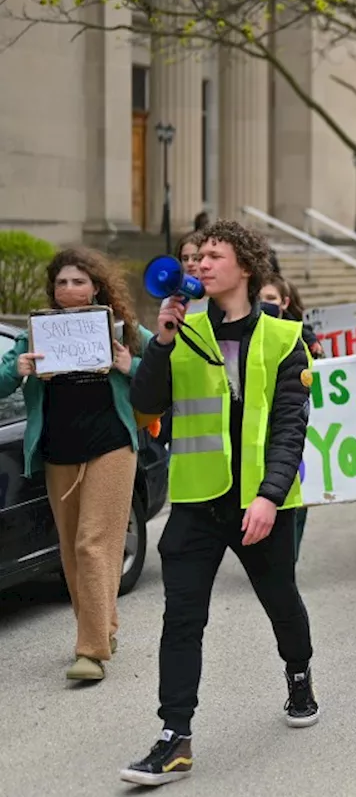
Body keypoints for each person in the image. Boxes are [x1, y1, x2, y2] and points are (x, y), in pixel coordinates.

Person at [121, 220, 317, 786]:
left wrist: (269, 496)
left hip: (261, 504)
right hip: (196, 502)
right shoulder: (181, 329)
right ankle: (174, 737)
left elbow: (289, 427)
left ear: (245, 267)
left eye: (213, 256)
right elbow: (146, 404)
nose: (200, 265)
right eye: (197, 257)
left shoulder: (284, 336)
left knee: (281, 600)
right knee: (181, 618)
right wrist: (159, 342)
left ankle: (299, 672)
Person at [0, 249, 152, 682]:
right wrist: (18, 369)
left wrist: (131, 364)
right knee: (70, 550)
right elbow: (0, 381)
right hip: (58, 453)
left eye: (78, 282)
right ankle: (103, 628)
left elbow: (165, 374)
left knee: (93, 543)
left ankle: (90, 652)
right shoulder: (36, 333)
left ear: (96, 287)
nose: (69, 290)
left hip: (111, 448)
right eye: (62, 283)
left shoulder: (122, 329)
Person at [260, 276, 323, 560]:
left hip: (296, 426)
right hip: (263, 429)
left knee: (296, 492)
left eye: (271, 299)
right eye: (260, 299)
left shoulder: (302, 336)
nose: (265, 305)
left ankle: (288, 556)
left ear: (285, 303)